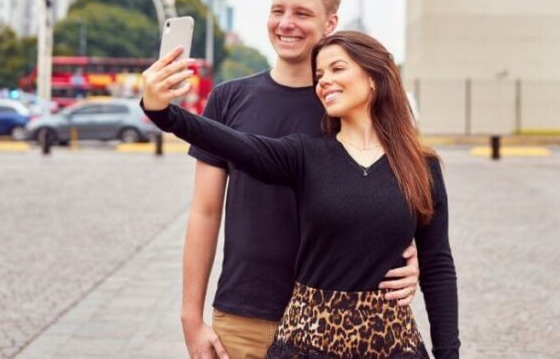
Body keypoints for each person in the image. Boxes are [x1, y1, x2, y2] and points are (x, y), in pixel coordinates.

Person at [143, 31, 459, 358]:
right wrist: (163, 112)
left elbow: (438, 266)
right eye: (319, 75)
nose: (324, 81)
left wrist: (449, 354)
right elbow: (230, 141)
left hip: (393, 346)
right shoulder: (303, 156)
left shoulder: (422, 166)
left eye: (337, 69)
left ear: (374, 78)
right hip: (307, 345)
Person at [180, 0, 420, 359]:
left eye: (302, 14)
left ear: (330, 24)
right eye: (278, 11)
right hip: (244, 317)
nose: (286, 23)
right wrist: (191, 318)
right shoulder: (228, 99)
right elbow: (205, 213)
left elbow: (400, 195)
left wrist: (415, 258)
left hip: (334, 321)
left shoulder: (351, 103)